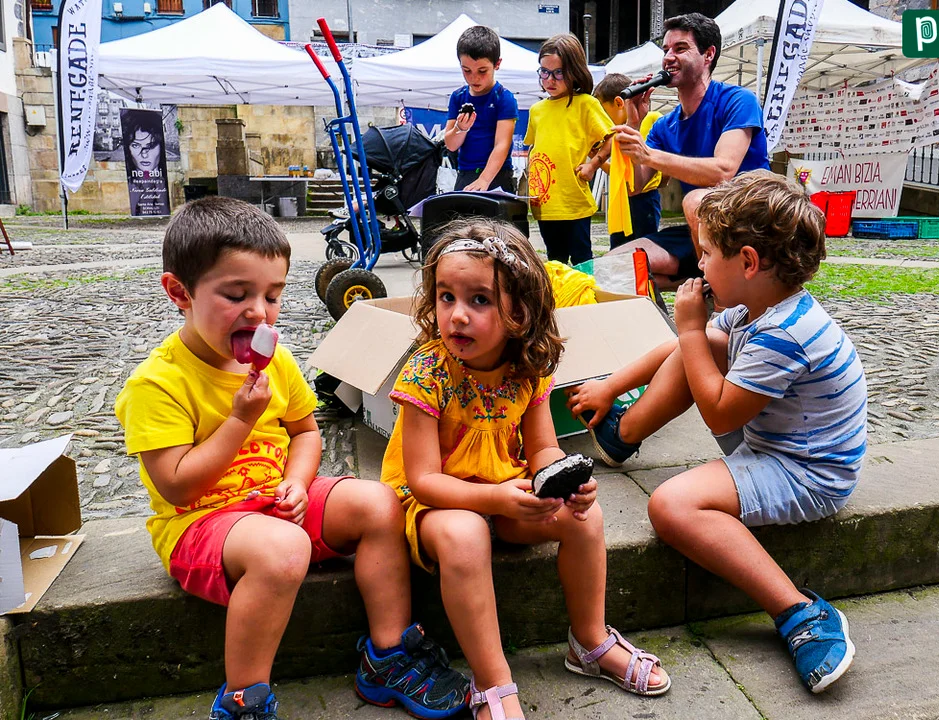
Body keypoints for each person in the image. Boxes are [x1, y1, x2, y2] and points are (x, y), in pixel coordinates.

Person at [115, 197, 469, 720]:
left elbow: (305, 433)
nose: (259, 312)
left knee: (379, 502)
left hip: (275, 504)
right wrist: (239, 420)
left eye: (272, 295)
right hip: (201, 524)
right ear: (180, 293)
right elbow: (176, 486)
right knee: (283, 549)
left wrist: (300, 483)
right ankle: (244, 699)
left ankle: (388, 656)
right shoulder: (157, 383)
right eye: (237, 295)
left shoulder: (275, 360)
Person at [567, 171, 866, 694]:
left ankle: (800, 612)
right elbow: (687, 351)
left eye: (705, 254)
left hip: (809, 472)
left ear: (748, 262)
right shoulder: (755, 307)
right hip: (776, 440)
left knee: (671, 507)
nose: (698, 265)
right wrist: (610, 387)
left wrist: (687, 329)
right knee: (701, 346)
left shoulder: (786, 332)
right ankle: (622, 433)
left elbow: (720, 414)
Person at [381, 218, 671, 720]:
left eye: (479, 300)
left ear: (520, 311)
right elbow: (423, 481)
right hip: (435, 503)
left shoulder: (527, 368)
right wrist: (494, 499)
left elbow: (541, 449)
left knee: (585, 518)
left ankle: (590, 641)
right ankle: (493, 683)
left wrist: (563, 480)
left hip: (506, 490)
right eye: (446, 297)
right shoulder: (427, 373)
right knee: (466, 533)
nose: (457, 315)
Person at [614, 13, 769, 287]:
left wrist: (649, 154)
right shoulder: (664, 125)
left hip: (753, 221)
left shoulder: (738, 101)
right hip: (703, 230)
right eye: (666, 50)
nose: (668, 57)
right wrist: (634, 123)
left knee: (696, 201)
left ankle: (718, 293)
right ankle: (704, 281)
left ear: (709, 54)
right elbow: (636, 186)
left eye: (680, 48)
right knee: (618, 265)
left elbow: (723, 171)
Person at [524, 34, 612, 266]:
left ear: (574, 71)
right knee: (555, 261)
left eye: (558, 73)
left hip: (574, 202)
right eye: (544, 72)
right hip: (545, 204)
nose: (550, 80)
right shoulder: (536, 110)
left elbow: (612, 138)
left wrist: (593, 165)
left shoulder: (586, 104)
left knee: (583, 261)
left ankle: (587, 291)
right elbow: (534, 148)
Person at [444, 26, 519, 193]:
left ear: (497, 64)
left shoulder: (504, 97)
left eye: (482, 71)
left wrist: (484, 179)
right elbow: (451, 145)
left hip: (497, 174)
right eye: (466, 71)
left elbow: (502, 144)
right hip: (466, 173)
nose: (474, 78)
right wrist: (460, 128)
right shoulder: (458, 97)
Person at [592, 73, 663, 248]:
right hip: (620, 198)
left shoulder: (653, 120)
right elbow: (619, 172)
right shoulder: (616, 132)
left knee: (643, 247)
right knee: (618, 248)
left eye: (602, 111)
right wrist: (596, 160)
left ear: (619, 103)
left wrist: (664, 178)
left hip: (644, 199)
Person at [121, 109, 171, 217]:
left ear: (161, 147)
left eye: (151, 146)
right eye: (136, 145)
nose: (144, 155)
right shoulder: (129, 184)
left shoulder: (165, 183)